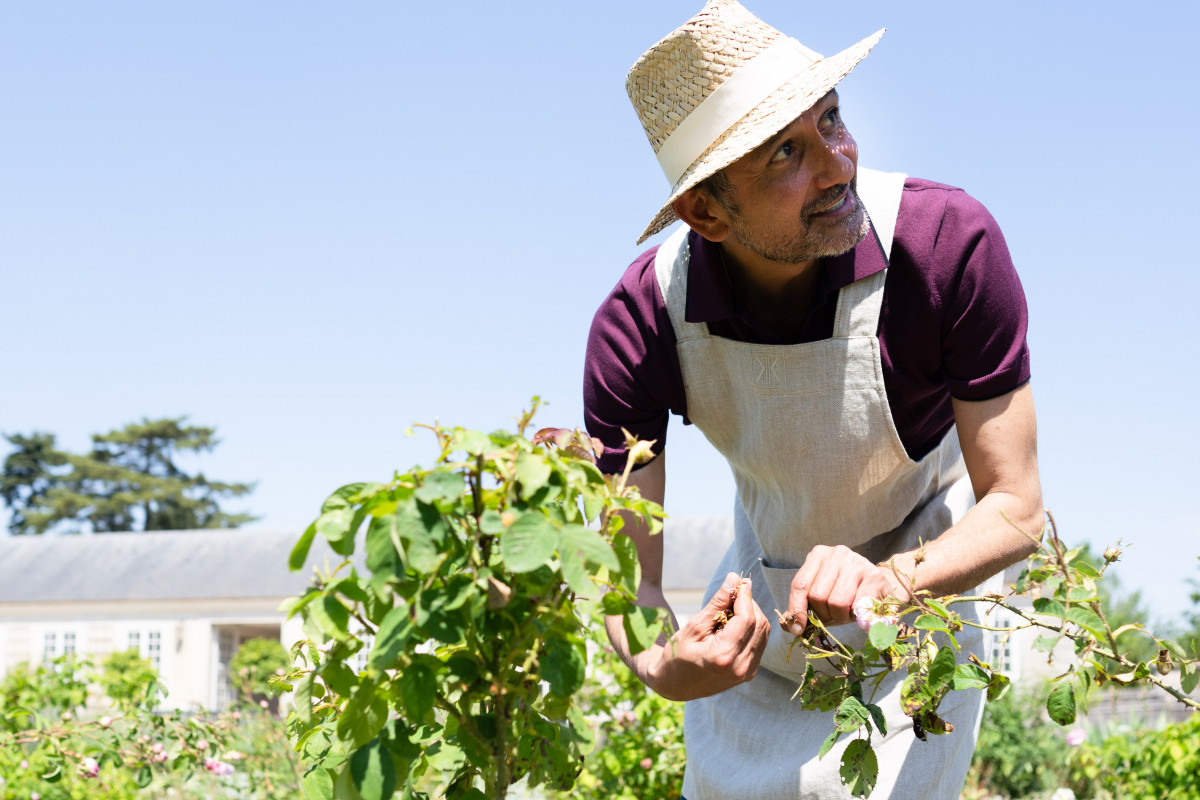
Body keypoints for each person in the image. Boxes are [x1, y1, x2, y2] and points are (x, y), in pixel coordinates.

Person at [581, 1, 1044, 798]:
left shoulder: (945, 248)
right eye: (786, 154)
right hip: (757, 629)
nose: (837, 165)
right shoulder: (644, 319)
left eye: (831, 119)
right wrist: (662, 663)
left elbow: (1015, 507)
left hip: (921, 609)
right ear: (706, 211)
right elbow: (629, 577)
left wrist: (888, 582)